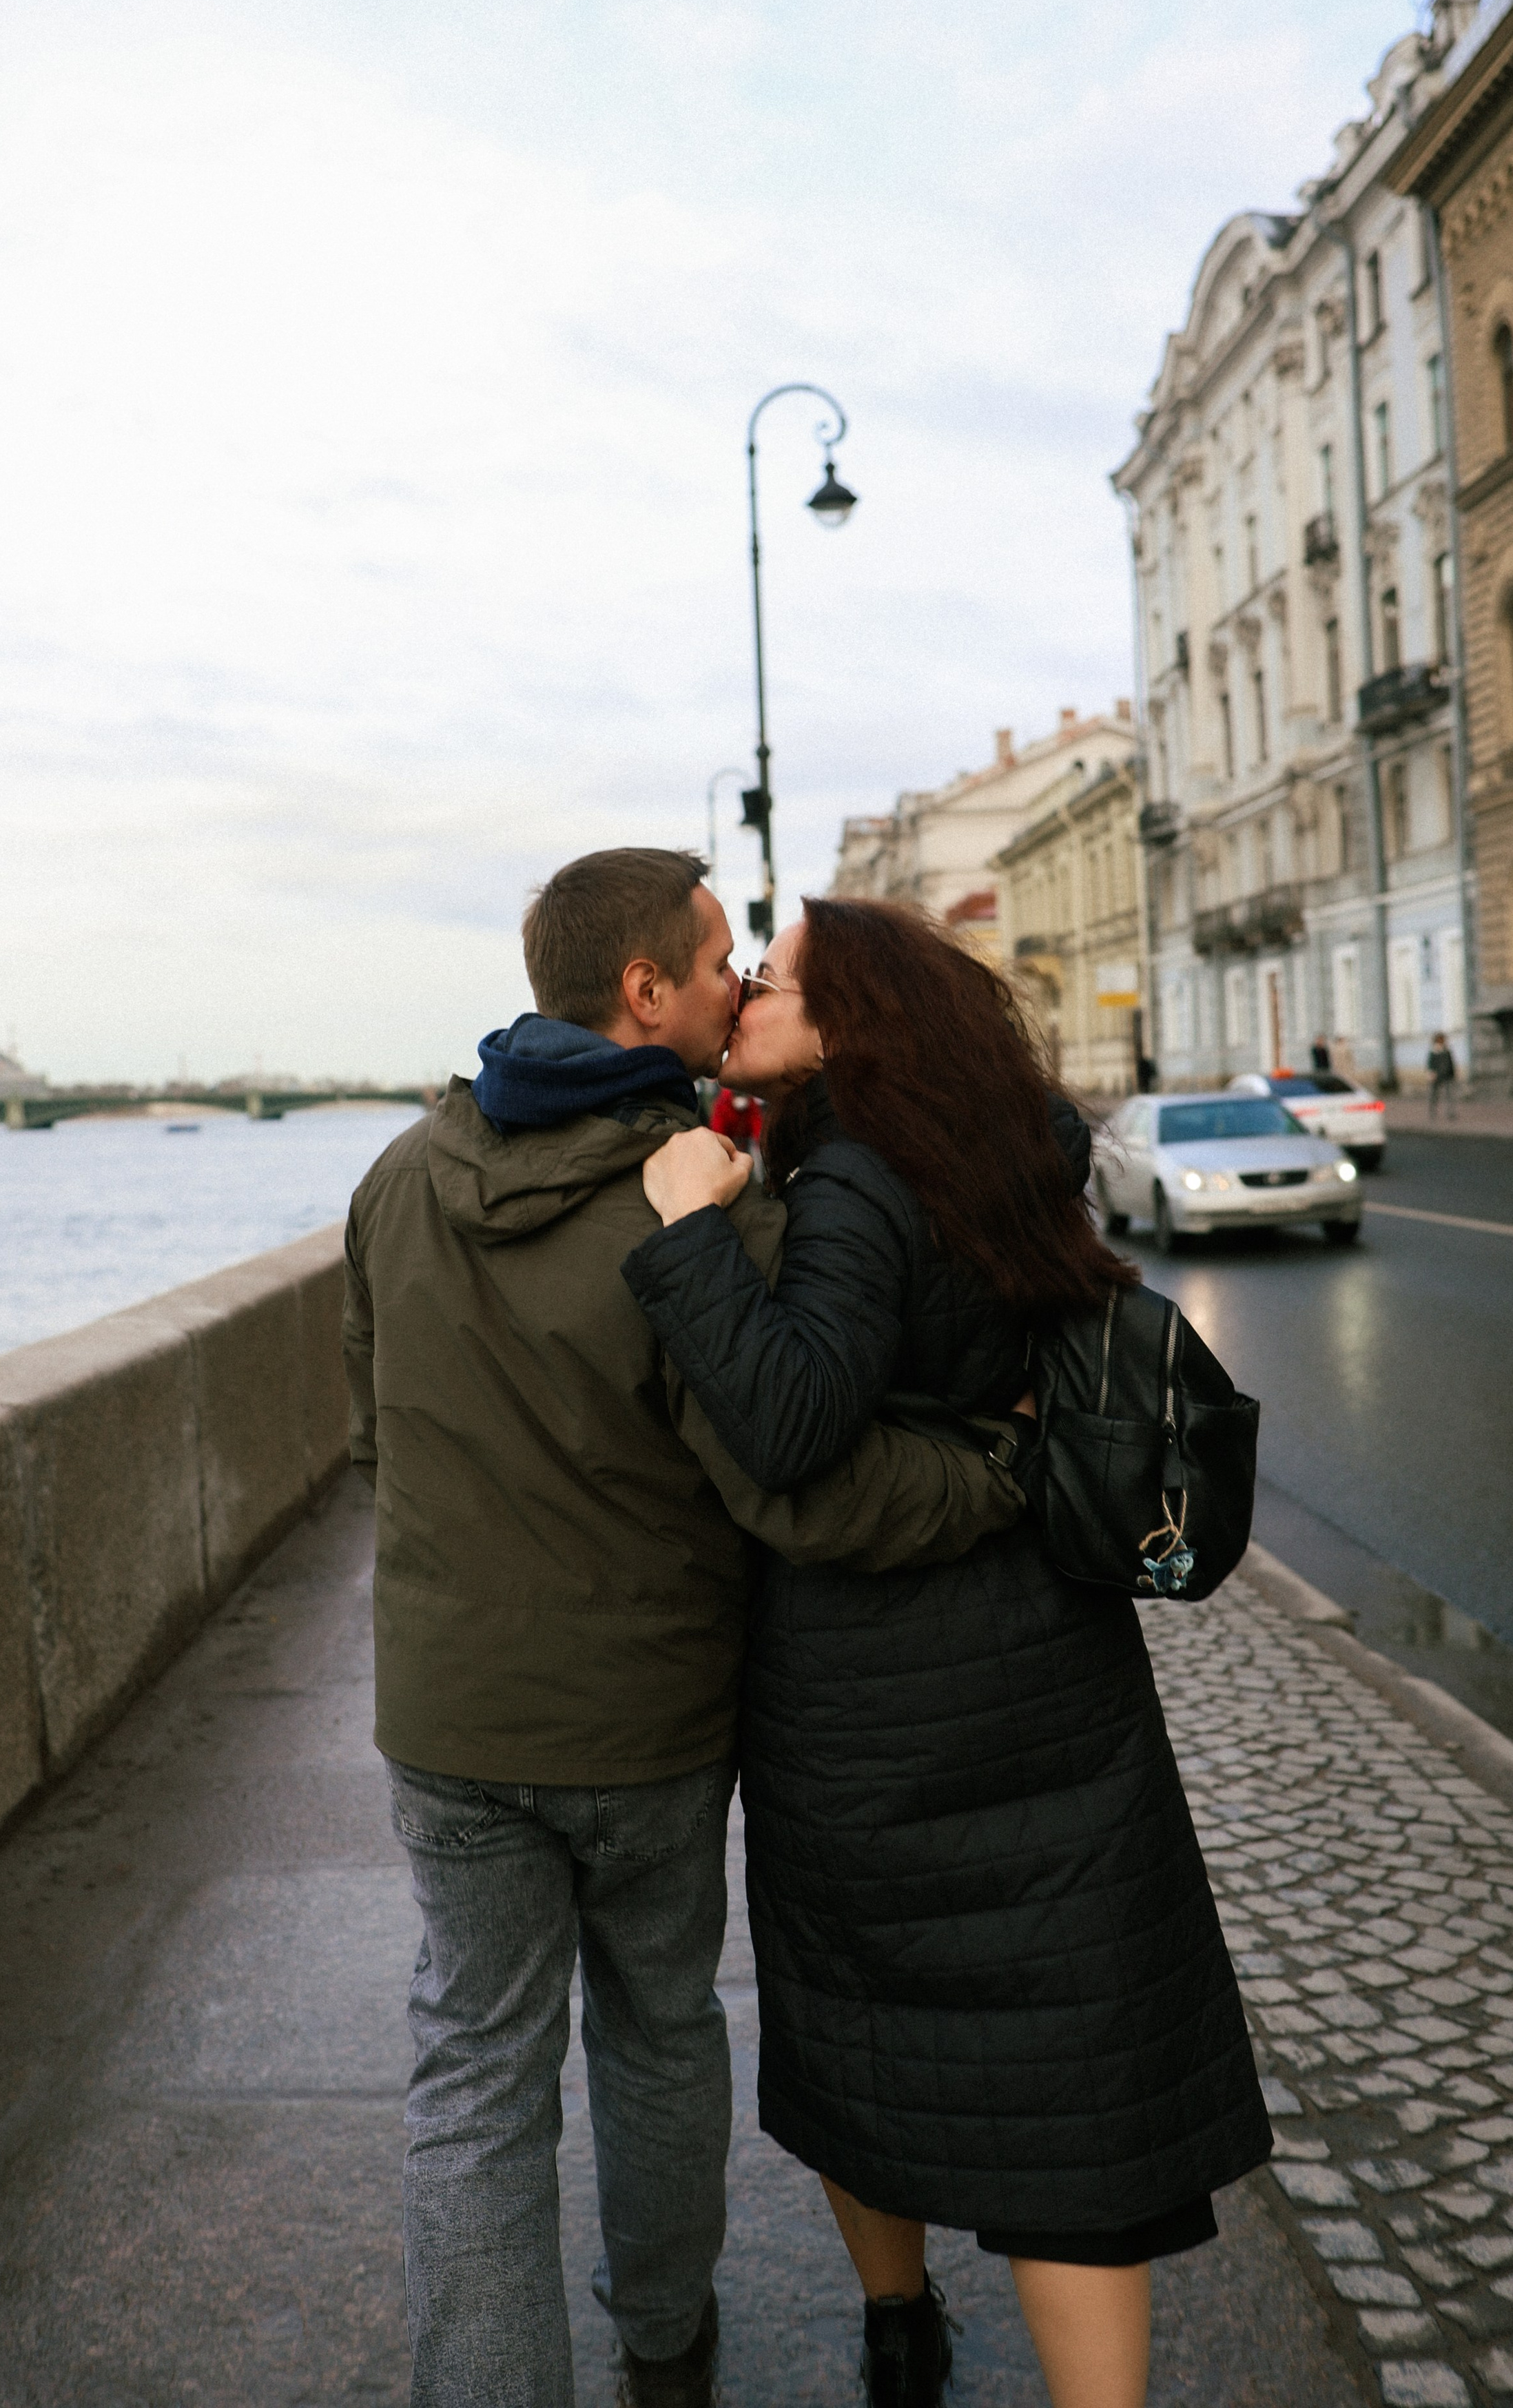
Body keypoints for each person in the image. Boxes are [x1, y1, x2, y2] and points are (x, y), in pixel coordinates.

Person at [342, 850, 1027, 2408]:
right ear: (641, 990)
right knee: (655, 2025)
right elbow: (804, 1485)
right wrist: (996, 1471)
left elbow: (371, 1437)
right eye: (719, 957)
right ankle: (664, 2341)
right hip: (641, 1722)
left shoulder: (397, 1176)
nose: (739, 983)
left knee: (469, 2076)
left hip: (447, 1719)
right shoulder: (700, 1194)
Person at [622, 897, 1271, 2408]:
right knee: (1069, 2091)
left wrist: (683, 1236)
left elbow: (789, 1422)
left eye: (777, 975)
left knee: (868, 2037)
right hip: (1049, 1666)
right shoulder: (1010, 1157)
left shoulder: (850, 1174)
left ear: (855, 1020)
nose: (753, 991)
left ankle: (897, 2322)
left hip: (868, 1695)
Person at [1428, 1030, 1458, 1120]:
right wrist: (1431, 1073)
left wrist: (1453, 1074)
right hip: (1436, 1076)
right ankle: (1433, 1113)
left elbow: (1451, 1063)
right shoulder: (1434, 1051)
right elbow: (1430, 1064)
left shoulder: (1446, 1051)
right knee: (1434, 1096)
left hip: (1447, 1076)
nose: (1442, 1042)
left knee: (1449, 1096)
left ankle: (1450, 1113)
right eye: (1440, 1040)